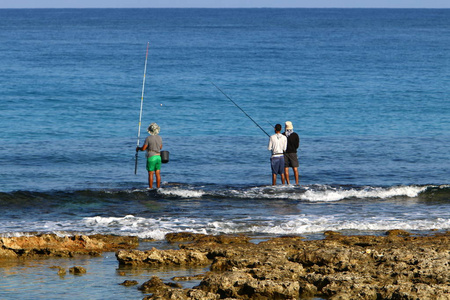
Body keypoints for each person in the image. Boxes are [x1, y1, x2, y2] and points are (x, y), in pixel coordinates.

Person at [136, 123, 163, 189]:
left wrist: (138, 148)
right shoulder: (159, 137)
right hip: (158, 157)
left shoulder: (148, 138)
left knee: (151, 173)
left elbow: (143, 148)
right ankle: (158, 187)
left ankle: (150, 188)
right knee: (158, 173)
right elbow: (160, 147)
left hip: (151, 157)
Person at [283, 121, 300, 185]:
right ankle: (297, 183)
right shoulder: (295, 135)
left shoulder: (283, 135)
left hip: (285, 153)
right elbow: (297, 145)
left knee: (286, 168)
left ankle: (288, 183)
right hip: (293, 153)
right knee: (295, 168)